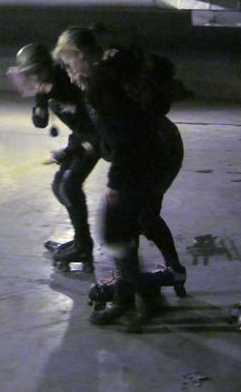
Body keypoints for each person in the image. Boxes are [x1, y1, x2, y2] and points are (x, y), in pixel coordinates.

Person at [52, 27, 187, 330]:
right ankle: (129, 298)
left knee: (117, 227)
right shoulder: (106, 74)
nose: (70, 72)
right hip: (149, 154)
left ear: (79, 55)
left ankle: (146, 300)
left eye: (69, 63)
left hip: (150, 158)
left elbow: (123, 137)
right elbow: (107, 133)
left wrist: (114, 182)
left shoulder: (103, 81)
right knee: (121, 229)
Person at [11, 43, 101, 272]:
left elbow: (94, 124)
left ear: (46, 67)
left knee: (69, 186)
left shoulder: (69, 80)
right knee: (59, 186)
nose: (33, 78)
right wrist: (39, 106)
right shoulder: (44, 87)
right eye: (30, 74)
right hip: (79, 135)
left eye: (36, 72)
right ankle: (81, 240)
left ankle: (83, 245)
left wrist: (67, 152)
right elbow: (41, 123)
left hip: (96, 137)